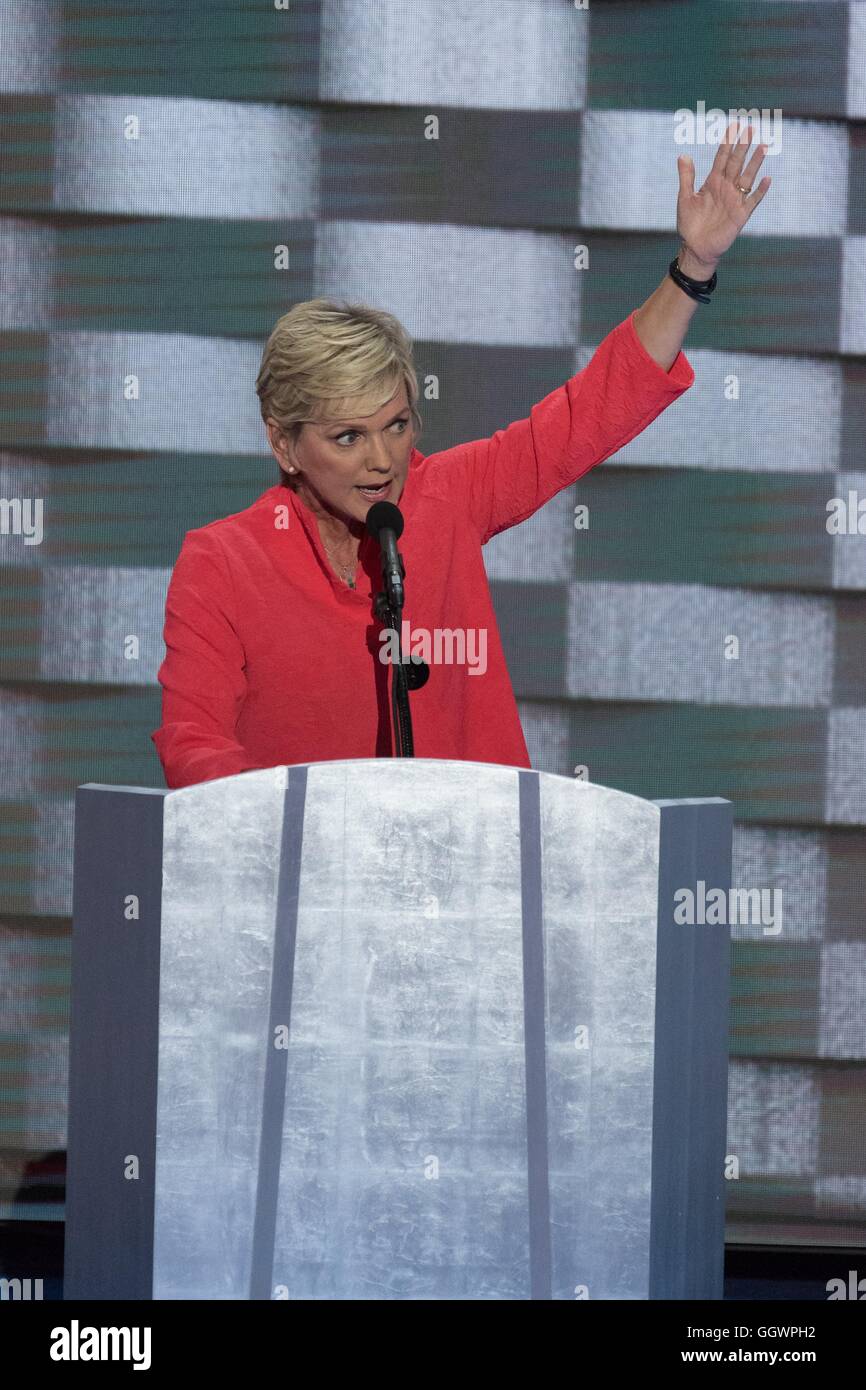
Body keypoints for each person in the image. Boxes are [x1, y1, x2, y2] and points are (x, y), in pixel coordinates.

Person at [151, 122, 770, 789]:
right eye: (348, 437)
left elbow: (588, 413)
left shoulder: (443, 497)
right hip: (305, 883)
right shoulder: (222, 562)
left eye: (397, 425)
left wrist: (693, 269)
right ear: (283, 443)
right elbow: (195, 746)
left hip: (479, 875)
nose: (382, 459)